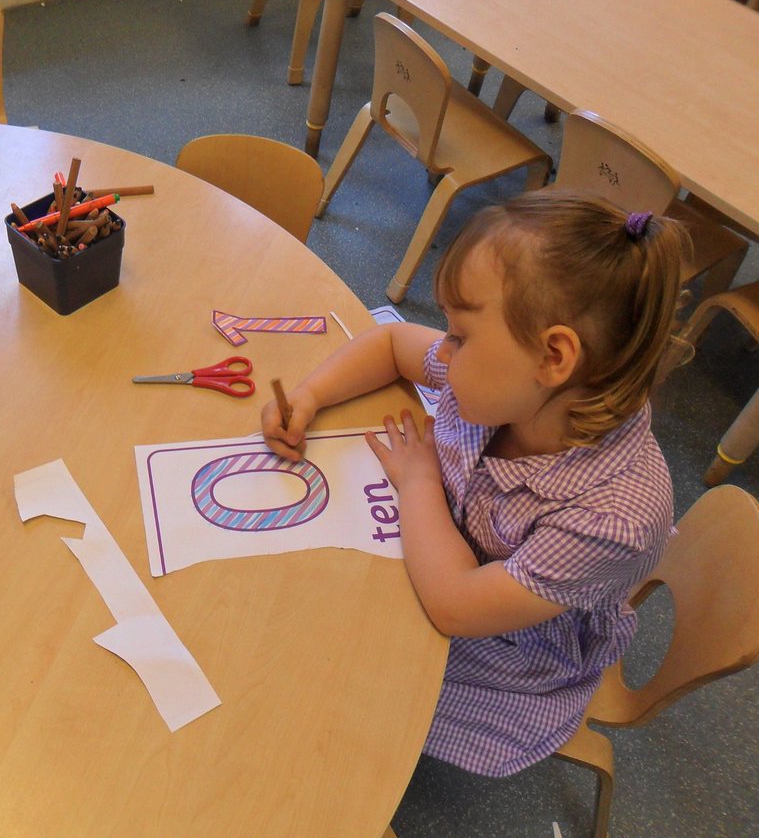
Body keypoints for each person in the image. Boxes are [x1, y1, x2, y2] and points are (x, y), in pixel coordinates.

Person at [261, 189, 686, 777]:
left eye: (460, 336)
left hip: (508, 645)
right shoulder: (516, 381)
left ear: (554, 356)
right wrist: (308, 395)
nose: (445, 349)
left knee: (319, 680)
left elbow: (456, 607)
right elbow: (389, 344)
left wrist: (419, 482)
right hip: (448, 552)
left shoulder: (614, 517)